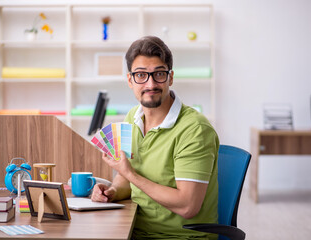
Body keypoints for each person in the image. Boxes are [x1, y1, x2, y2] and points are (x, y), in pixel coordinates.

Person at [91, 36, 219, 239]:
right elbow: (126, 178)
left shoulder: (195, 129)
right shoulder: (132, 117)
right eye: (141, 75)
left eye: (159, 74)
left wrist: (130, 175)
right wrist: (112, 191)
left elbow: (188, 206)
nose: (151, 84)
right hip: (135, 229)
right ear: (130, 80)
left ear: (170, 77)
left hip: (178, 237)